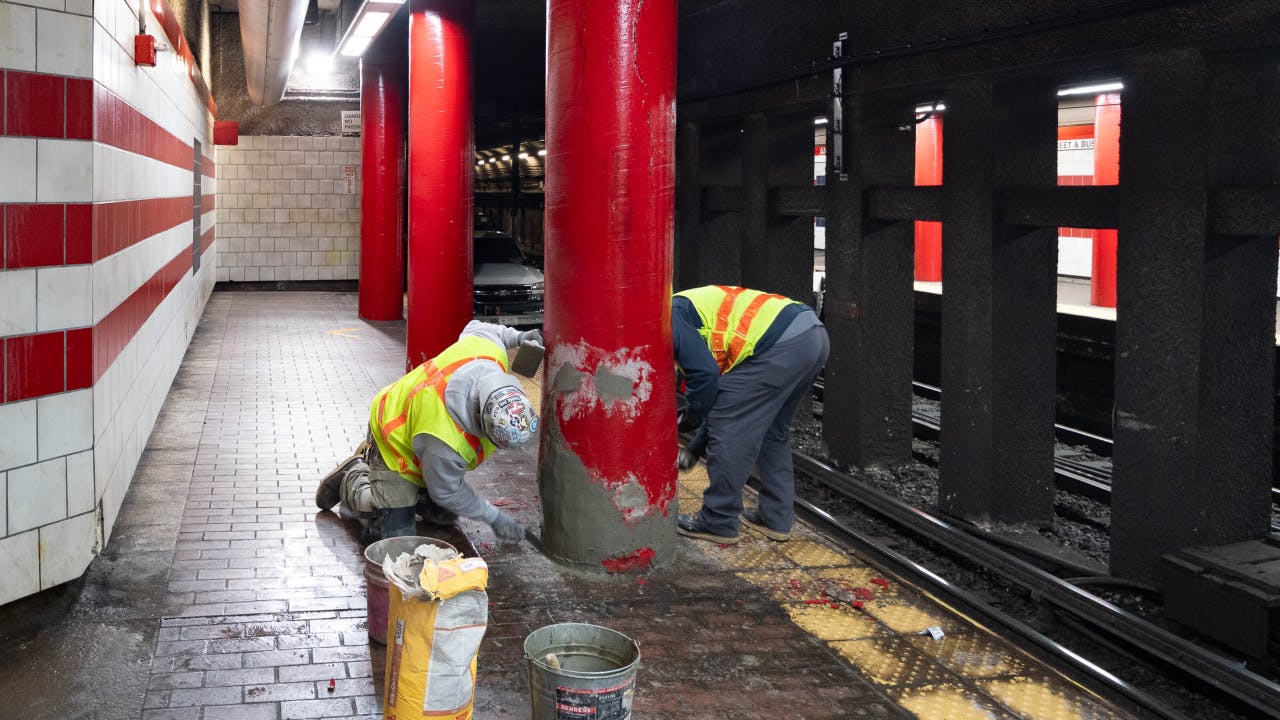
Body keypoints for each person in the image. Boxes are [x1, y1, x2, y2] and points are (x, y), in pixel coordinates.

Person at [316, 320, 543, 545]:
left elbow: (479, 327)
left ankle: (416, 492)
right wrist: (496, 518)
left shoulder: (488, 354)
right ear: (478, 417)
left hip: (423, 446)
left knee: (444, 515)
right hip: (393, 440)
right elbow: (447, 492)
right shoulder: (442, 437)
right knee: (393, 535)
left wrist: (520, 338)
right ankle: (354, 476)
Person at [673, 285, 829, 544]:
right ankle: (775, 518)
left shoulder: (671, 318)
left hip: (780, 344)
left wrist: (688, 421)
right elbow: (724, 397)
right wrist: (695, 448)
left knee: (729, 433)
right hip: (812, 335)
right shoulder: (689, 313)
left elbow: (706, 380)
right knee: (772, 432)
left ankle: (717, 520)